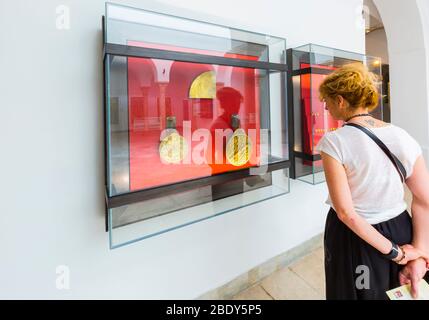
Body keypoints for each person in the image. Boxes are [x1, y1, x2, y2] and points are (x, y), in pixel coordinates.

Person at [316, 63, 429, 300]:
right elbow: (424, 198)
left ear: (340, 100)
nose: (325, 107)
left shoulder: (334, 142)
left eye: (326, 100)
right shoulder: (402, 136)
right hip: (399, 227)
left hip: (356, 237)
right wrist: (419, 251)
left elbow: (347, 213)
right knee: (401, 292)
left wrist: (395, 253)